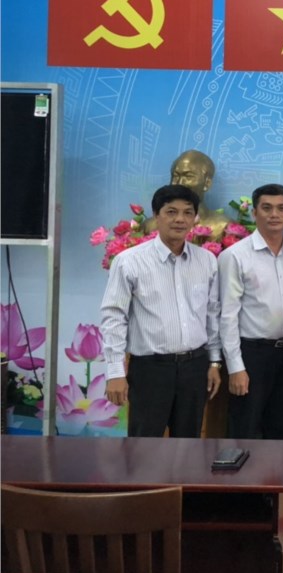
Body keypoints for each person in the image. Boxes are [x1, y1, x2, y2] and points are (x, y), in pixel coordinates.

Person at [100, 184, 222, 437]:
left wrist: (214, 362)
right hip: (150, 369)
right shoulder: (129, 261)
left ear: (195, 218)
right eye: (171, 212)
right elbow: (114, 317)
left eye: (187, 213)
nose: (180, 219)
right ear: (156, 215)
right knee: (144, 446)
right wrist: (115, 372)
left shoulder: (207, 260)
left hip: (195, 367)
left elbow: (212, 315)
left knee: (188, 445)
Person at [218, 183, 283, 439]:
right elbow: (227, 316)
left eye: (281, 208)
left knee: (282, 429)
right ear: (255, 212)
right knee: (244, 428)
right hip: (252, 355)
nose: (274, 214)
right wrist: (235, 367)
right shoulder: (235, 256)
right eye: (266, 208)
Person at [144, 150, 231, 240]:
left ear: (207, 183)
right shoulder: (150, 226)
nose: (180, 183)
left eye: (188, 176)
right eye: (176, 176)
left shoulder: (224, 227)